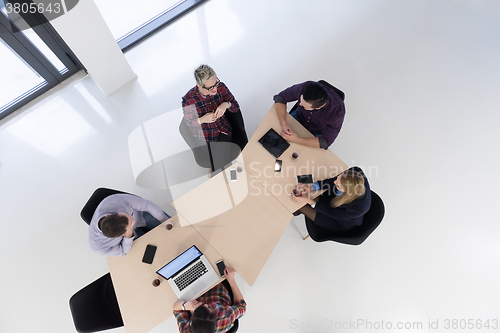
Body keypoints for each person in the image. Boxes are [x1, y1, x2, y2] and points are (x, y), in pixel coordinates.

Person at [291, 167, 371, 231]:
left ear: (347, 191)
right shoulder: (356, 172)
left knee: (300, 207)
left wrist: (308, 201)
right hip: (333, 200)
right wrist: (311, 187)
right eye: (339, 176)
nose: (334, 182)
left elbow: (332, 212)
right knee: (304, 198)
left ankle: (296, 212)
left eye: (338, 186)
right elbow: (334, 180)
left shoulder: (358, 208)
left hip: (337, 220)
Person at [88, 194, 170, 256]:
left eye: (128, 215)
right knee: (158, 252)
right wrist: (128, 236)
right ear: (119, 236)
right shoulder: (98, 247)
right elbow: (123, 251)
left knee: (172, 226)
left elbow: (149, 206)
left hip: (140, 215)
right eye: (131, 223)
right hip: (128, 240)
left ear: (107, 216)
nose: (132, 218)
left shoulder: (116, 201)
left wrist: (167, 221)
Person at [273, 81, 345, 149]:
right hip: (299, 116)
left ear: (318, 107)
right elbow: (280, 98)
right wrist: (284, 123)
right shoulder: (305, 87)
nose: (299, 104)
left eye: (304, 106)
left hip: (315, 131)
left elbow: (325, 142)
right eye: (300, 101)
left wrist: (297, 139)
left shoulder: (337, 112)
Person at [172, 267, 246, 333]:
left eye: (200, 308)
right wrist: (231, 280)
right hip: (217, 286)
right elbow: (242, 306)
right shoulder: (225, 317)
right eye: (210, 308)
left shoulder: (187, 330)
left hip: (196, 291)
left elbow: (176, 309)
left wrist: (184, 306)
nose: (206, 304)